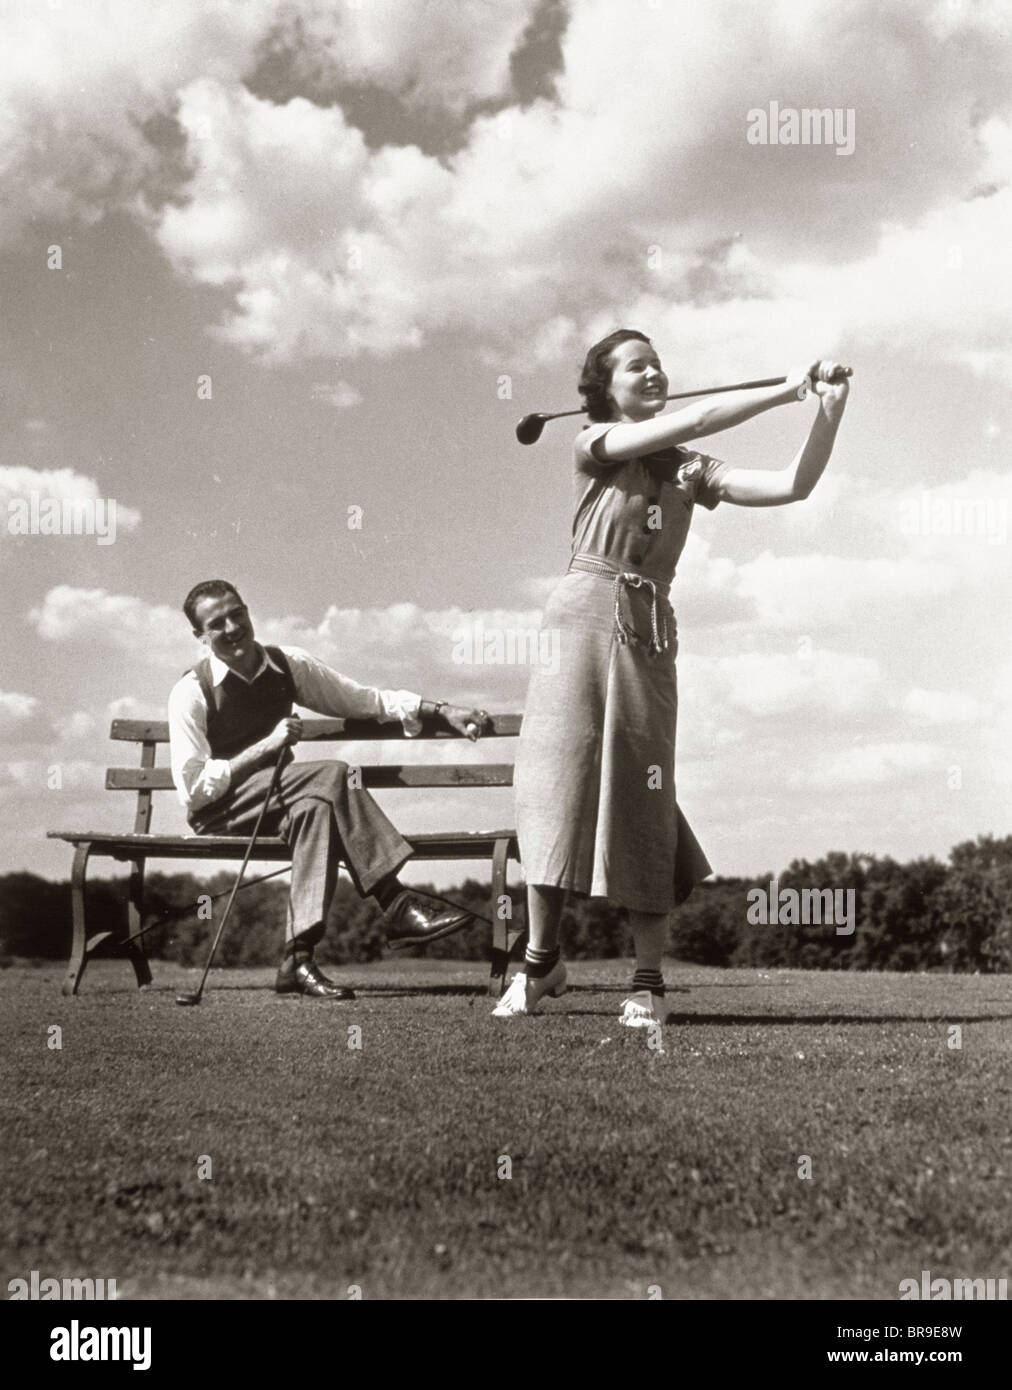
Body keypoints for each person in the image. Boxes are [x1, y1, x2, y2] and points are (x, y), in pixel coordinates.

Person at [500, 330, 850, 1025]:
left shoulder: (690, 468)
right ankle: (540, 965)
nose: (655, 371)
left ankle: (648, 982)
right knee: (553, 780)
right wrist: (785, 387)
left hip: (648, 628)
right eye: (638, 365)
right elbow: (689, 419)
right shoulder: (593, 441)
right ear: (606, 388)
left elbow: (793, 486)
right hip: (579, 614)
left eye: (659, 362)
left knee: (643, 789)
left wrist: (826, 410)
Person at [168, 580, 490, 999]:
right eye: (217, 623)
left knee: (316, 810)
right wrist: (266, 746)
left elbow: (363, 700)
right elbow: (193, 791)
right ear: (201, 637)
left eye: (237, 614)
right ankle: (396, 903)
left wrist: (441, 711)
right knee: (333, 774)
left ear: (248, 612)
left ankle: (296, 961)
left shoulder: (287, 665)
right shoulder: (190, 692)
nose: (232, 628)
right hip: (222, 811)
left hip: (282, 803)